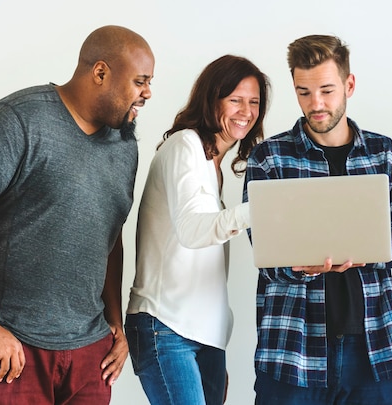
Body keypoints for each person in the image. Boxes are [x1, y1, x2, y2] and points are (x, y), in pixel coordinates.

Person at [0, 25, 154, 404]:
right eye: (140, 81)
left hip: (88, 354)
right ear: (100, 73)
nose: (147, 93)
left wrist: (114, 320)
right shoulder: (20, 119)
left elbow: (109, 236)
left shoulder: (124, 146)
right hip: (7, 351)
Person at [243, 34, 392, 405]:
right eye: (304, 92)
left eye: (326, 90)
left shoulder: (384, 154)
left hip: (373, 351)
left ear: (349, 84)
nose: (316, 104)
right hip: (292, 351)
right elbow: (263, 250)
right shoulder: (269, 158)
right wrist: (300, 265)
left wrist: (358, 251)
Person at [125, 54, 270, 405]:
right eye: (235, 99)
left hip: (207, 336)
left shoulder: (214, 165)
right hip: (166, 325)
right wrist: (265, 208)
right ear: (212, 98)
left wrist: (218, 336)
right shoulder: (185, 145)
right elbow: (192, 231)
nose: (245, 111)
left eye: (253, 102)